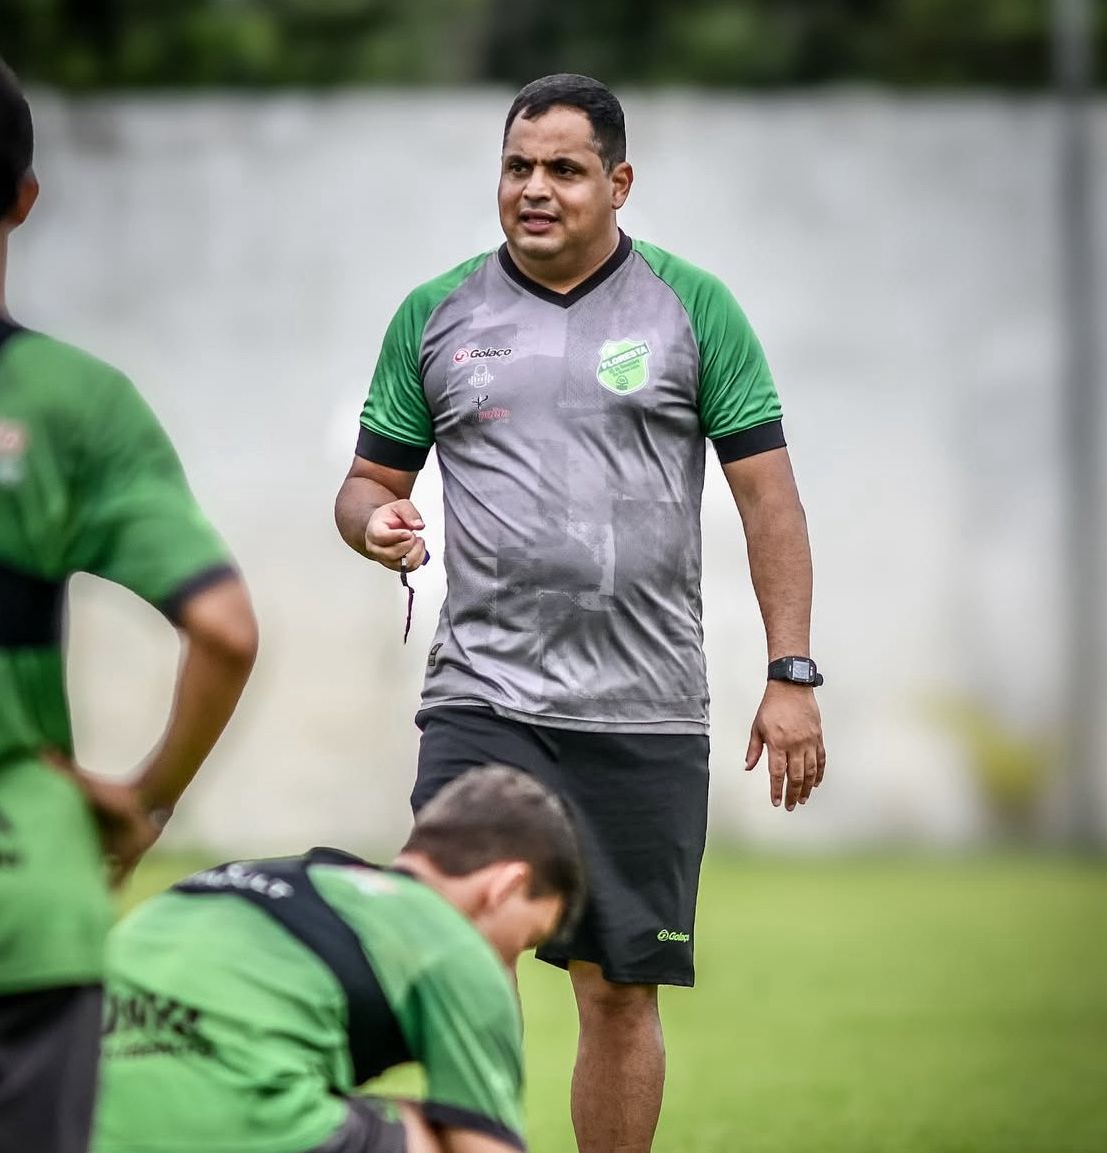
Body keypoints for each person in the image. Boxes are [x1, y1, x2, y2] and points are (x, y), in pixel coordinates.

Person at [334, 73, 827, 1153]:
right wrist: (377, 521)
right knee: (461, 954)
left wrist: (791, 673)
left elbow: (769, 500)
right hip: (482, 696)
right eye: (518, 167)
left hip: (642, 711)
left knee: (617, 993)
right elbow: (366, 485)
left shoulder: (694, 309)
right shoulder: (436, 315)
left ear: (619, 181)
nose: (536, 189)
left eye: (564, 168)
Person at [0, 34, 258, 1153]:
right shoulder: (76, 404)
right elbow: (223, 626)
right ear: (25, 199)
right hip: (19, 909)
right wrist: (145, 797)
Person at [91, 765, 584, 1153]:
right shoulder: (449, 942)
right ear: (504, 887)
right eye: (523, 938)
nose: (505, 962)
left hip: (67, 1120)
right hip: (228, 1125)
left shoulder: (261, 876)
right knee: (435, 1135)